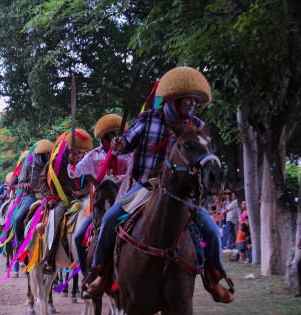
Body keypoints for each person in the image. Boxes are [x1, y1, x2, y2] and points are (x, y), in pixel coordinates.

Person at [88, 66, 230, 302]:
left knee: (213, 231)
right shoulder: (148, 118)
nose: (193, 105)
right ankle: (99, 274)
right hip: (145, 187)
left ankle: (214, 279)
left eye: (196, 101)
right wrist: (119, 145)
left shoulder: (197, 126)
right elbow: (127, 143)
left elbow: (206, 158)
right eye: (189, 100)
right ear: (174, 100)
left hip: (182, 194)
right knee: (109, 220)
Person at [67, 114, 130, 275]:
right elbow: (74, 173)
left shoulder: (129, 154)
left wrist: (117, 179)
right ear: (105, 136)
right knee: (78, 237)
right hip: (100, 206)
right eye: (113, 134)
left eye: (119, 134)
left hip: (126, 203)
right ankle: (87, 276)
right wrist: (72, 162)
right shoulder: (93, 155)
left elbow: (134, 174)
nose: (117, 138)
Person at [39, 129, 92, 274]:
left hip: (83, 198)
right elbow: (43, 180)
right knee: (54, 220)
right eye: (77, 152)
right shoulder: (56, 161)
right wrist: (50, 196)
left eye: (82, 152)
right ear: (69, 150)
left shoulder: (88, 160)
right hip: (62, 199)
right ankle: (49, 259)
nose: (80, 155)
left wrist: (82, 191)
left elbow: (90, 182)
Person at [12, 139, 54, 275]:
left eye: (49, 154)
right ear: (38, 155)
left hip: (49, 197)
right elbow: (21, 182)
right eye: (45, 155)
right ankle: (20, 243)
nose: (47, 157)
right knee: (18, 218)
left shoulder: (53, 166)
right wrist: (25, 186)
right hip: (32, 197)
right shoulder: (28, 167)